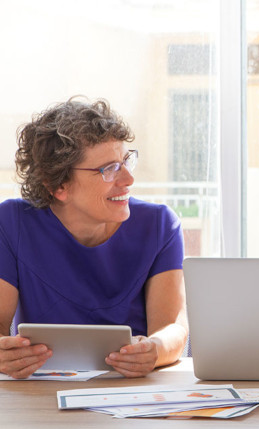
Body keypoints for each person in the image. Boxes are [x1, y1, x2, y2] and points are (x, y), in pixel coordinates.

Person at [0, 97, 188, 379]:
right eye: (109, 169)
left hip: (132, 393)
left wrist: (154, 350)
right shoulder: (11, 223)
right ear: (58, 185)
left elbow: (173, 329)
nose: (128, 179)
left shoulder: (160, 225)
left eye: (126, 161)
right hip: (40, 393)